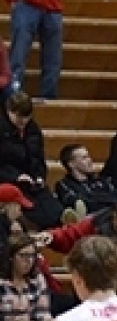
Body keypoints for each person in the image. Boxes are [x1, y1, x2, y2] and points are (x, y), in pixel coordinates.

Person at [0, 91, 61, 229]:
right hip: (9, 182)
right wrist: (15, 176)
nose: (23, 121)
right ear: (9, 110)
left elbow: (39, 158)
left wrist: (40, 176)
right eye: (19, 117)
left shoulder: (33, 129)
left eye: (27, 117)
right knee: (37, 215)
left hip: (32, 181)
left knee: (54, 210)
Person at [0, 232, 50, 321]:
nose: (29, 261)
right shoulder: (2, 282)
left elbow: (43, 311)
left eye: (32, 256)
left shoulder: (37, 279)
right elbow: (6, 319)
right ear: (11, 257)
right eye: (23, 256)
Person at [55, 144, 117, 218]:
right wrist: (105, 200)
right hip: (91, 219)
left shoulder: (102, 180)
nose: (90, 160)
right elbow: (78, 202)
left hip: (113, 215)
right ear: (71, 164)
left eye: (88, 156)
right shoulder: (64, 184)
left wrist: (93, 198)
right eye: (84, 158)